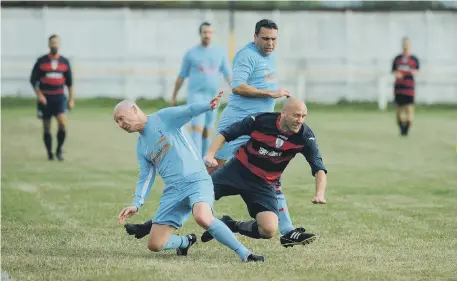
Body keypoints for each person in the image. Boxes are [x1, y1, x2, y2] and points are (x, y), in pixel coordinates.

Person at [114, 91, 264, 262]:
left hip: (197, 180)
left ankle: (245, 253)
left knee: (202, 216)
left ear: (133, 109)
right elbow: (145, 176)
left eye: (121, 118)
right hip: (173, 191)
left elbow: (188, 110)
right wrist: (136, 203)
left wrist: (207, 106)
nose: (120, 124)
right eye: (117, 122)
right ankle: (185, 242)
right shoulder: (141, 146)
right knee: (155, 244)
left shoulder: (163, 117)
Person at [210, 18, 309, 247]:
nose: (270, 43)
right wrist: (270, 94)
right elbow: (238, 86)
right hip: (236, 125)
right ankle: (163, 220)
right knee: (209, 174)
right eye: (265, 38)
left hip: (259, 130)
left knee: (272, 176)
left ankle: (286, 231)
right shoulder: (246, 55)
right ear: (255, 37)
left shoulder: (269, 56)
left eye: (274, 39)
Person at [199, 98, 327, 246]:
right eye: (296, 115)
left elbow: (319, 168)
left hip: (263, 183)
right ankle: (174, 235)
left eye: (303, 116)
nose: (300, 121)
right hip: (237, 170)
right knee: (198, 193)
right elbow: (226, 134)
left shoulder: (305, 136)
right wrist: (210, 154)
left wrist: (320, 194)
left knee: (269, 230)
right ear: (283, 113)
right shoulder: (260, 120)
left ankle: (231, 225)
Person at [170, 22, 231, 157]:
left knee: (206, 131)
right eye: (205, 32)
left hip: (213, 97)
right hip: (196, 96)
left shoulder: (220, 53)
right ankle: (194, 161)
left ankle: (203, 163)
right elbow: (181, 76)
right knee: (197, 128)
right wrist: (174, 95)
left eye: (210, 32)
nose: (207, 35)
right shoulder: (191, 54)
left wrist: (238, 92)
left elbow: (229, 76)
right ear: (200, 34)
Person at [30, 34, 74, 161]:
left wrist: (71, 99)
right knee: (47, 127)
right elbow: (33, 81)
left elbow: (70, 83)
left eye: (56, 43)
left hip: (59, 98)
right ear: (49, 44)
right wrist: (40, 95)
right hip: (45, 99)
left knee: (62, 123)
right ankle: (49, 153)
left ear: (59, 45)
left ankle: (59, 150)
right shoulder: (41, 61)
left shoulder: (64, 62)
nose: (54, 45)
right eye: (52, 43)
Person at [391, 36, 420, 136]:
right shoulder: (397, 59)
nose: (405, 46)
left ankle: (406, 130)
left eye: (407, 44)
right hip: (399, 89)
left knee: (409, 109)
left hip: (409, 89)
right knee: (399, 110)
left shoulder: (414, 59)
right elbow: (393, 70)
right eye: (404, 44)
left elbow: (417, 71)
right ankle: (401, 128)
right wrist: (397, 74)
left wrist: (411, 72)